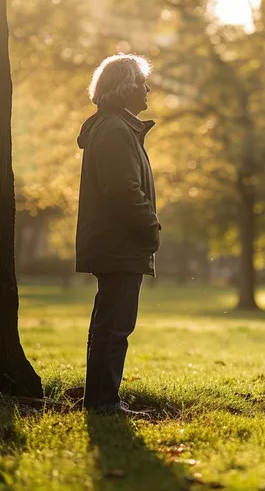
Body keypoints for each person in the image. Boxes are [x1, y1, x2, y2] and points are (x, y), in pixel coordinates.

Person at [75, 54, 160, 415]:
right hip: (120, 244)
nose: (148, 90)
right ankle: (104, 403)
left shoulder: (114, 128)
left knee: (108, 326)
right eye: (142, 84)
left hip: (116, 244)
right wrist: (150, 227)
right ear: (126, 88)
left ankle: (99, 400)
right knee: (114, 328)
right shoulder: (114, 130)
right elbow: (123, 190)